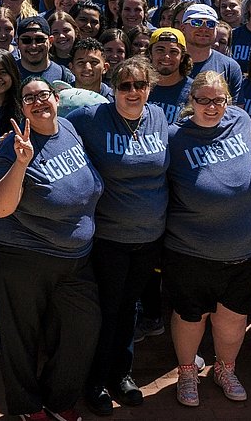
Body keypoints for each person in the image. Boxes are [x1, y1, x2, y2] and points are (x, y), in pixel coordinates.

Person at [0, 77, 102, 420]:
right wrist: (22, 162)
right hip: (22, 256)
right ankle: (28, 406)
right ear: (21, 108)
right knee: (21, 336)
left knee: (82, 327)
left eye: (43, 95)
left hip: (74, 259)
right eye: (28, 99)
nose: (38, 103)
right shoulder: (14, 147)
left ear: (56, 98)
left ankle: (58, 398)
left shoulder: (67, 127)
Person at [68, 57, 170, 414]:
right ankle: (94, 381)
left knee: (130, 308)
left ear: (149, 88)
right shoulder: (92, 118)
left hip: (149, 237)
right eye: (124, 85)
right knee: (108, 310)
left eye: (139, 85)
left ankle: (121, 374)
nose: (131, 92)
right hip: (109, 238)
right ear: (112, 88)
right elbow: (54, 129)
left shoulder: (157, 117)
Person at [164, 72, 251, 407]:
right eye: (203, 100)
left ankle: (225, 369)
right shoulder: (175, 138)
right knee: (191, 316)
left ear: (229, 100)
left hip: (245, 251)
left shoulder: (239, 120)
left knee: (234, 317)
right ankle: (186, 372)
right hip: (191, 252)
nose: (211, 107)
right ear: (190, 101)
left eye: (218, 100)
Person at [179, 4, 243, 96]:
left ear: (216, 30)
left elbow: (236, 108)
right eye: (196, 22)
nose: (204, 29)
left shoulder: (230, 67)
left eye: (210, 24)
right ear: (183, 28)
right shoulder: (171, 61)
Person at [148, 27, 193, 122]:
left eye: (173, 52)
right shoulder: (137, 86)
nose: (166, 57)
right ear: (150, 54)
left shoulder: (194, 91)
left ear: (182, 57)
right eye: (160, 50)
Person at [15, 16, 74, 84]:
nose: (33, 46)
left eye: (40, 40)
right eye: (26, 40)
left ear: (50, 41)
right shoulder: (8, 72)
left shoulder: (64, 75)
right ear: (17, 43)